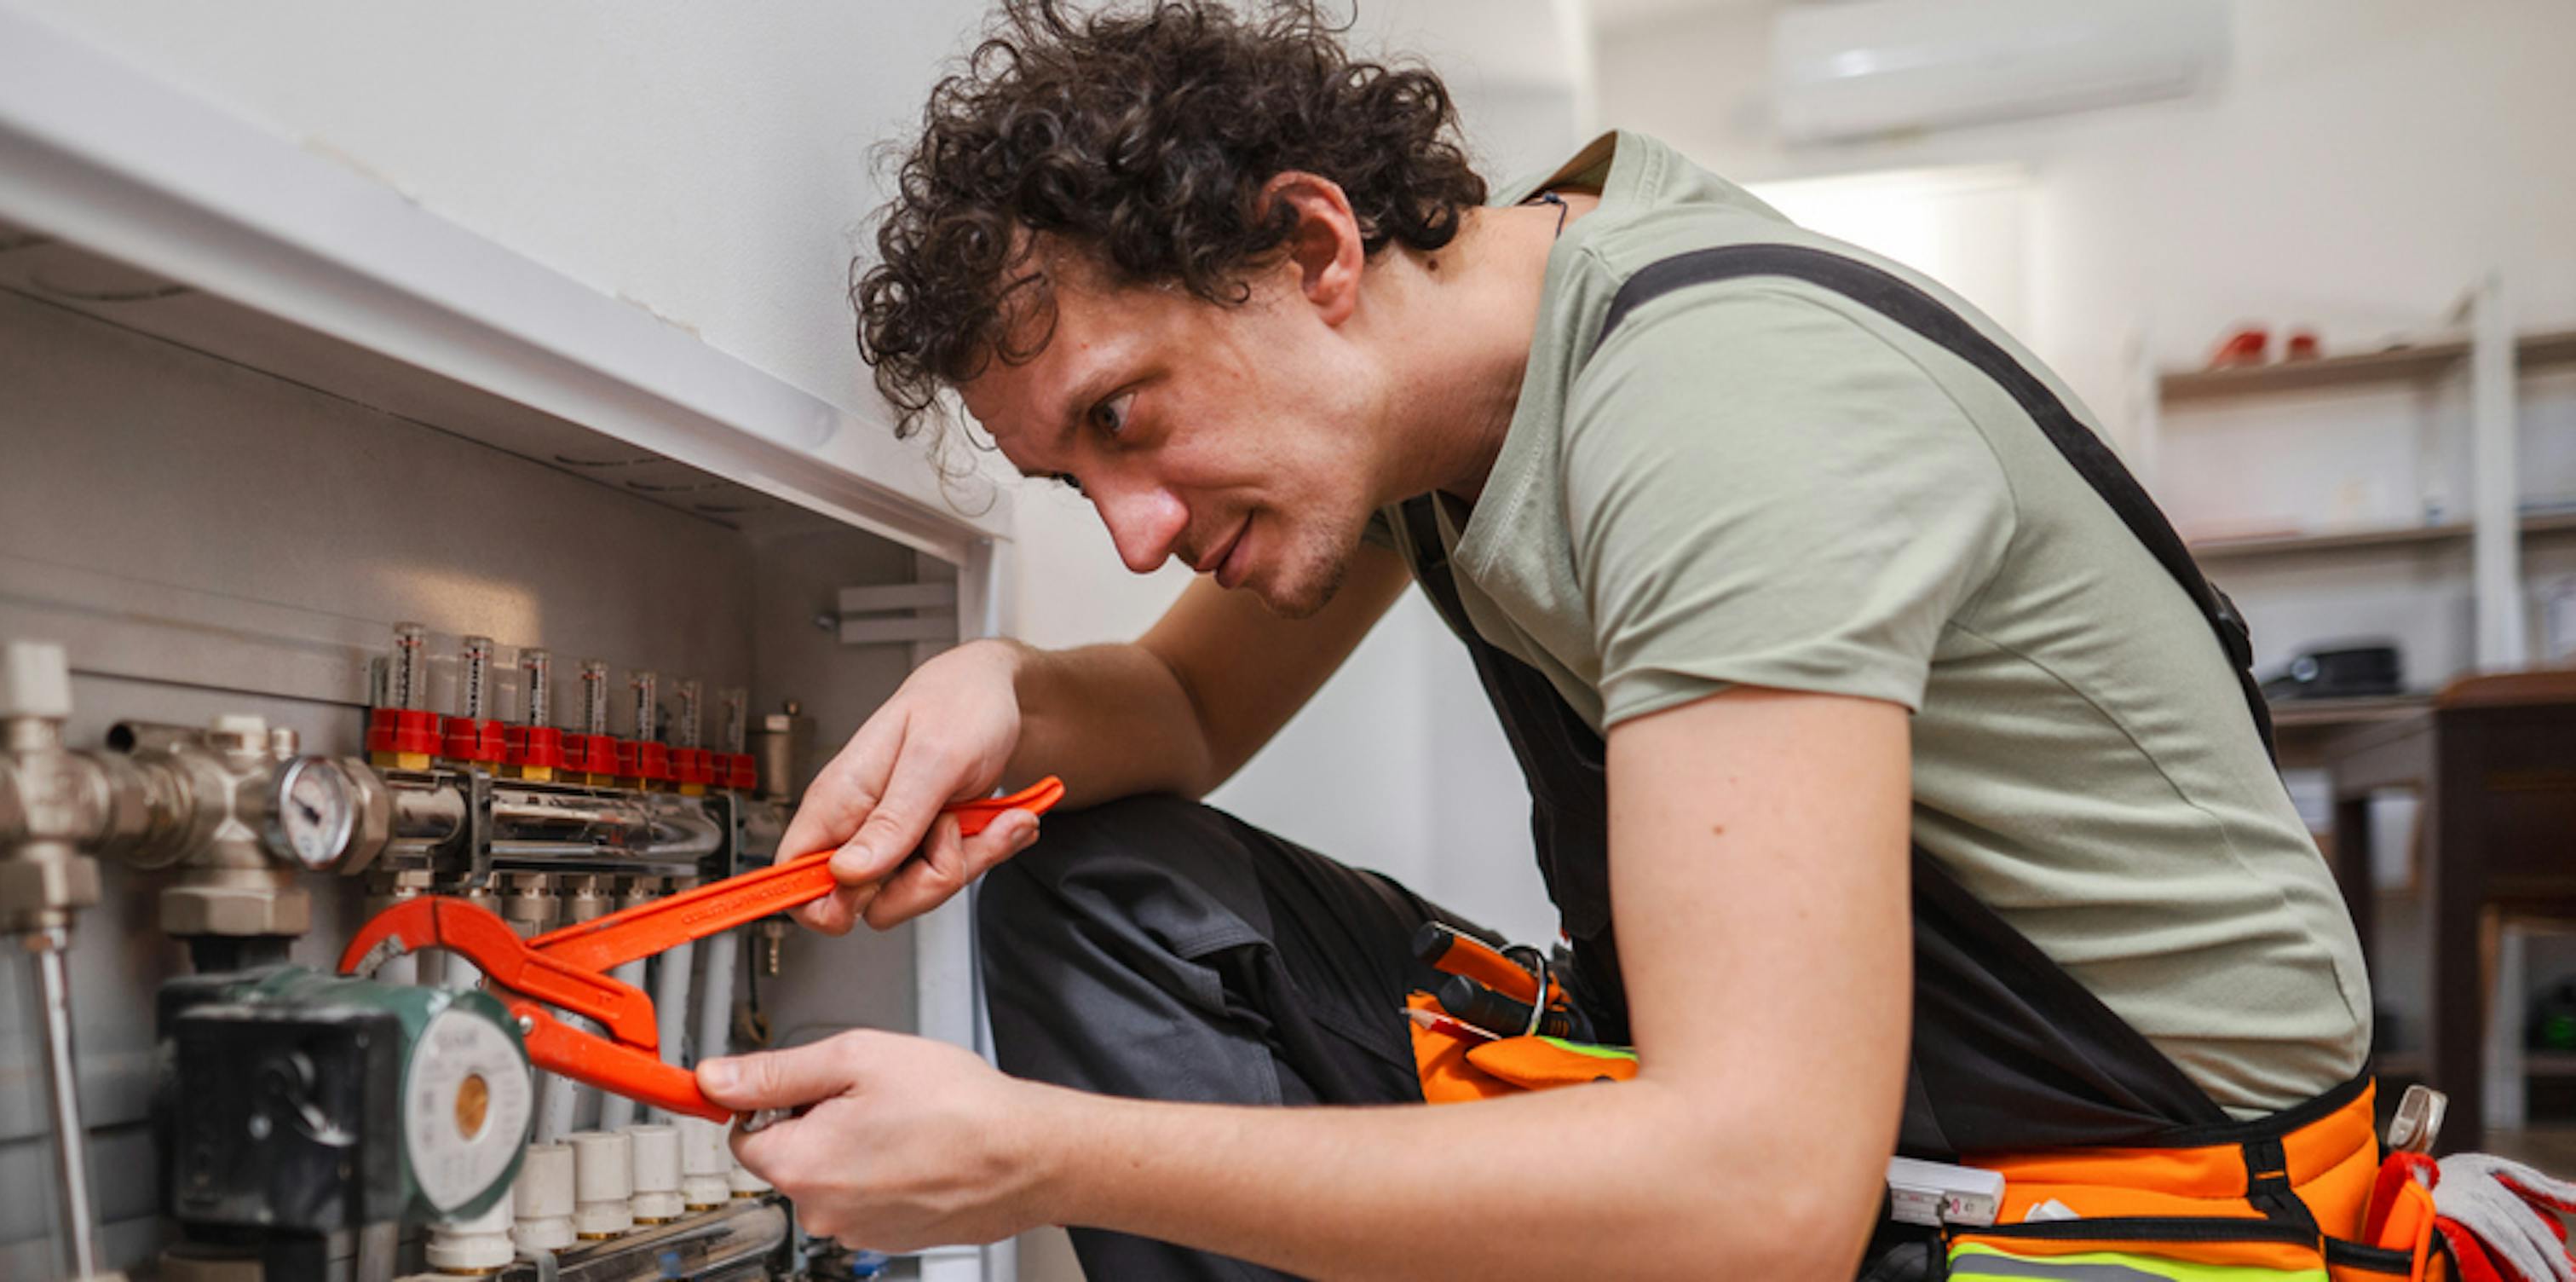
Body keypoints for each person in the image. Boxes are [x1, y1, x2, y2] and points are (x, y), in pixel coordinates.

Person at [690, 3, 2374, 1279]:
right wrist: (998, 688)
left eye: (1126, 415)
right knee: (1110, 890)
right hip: (1874, 1134)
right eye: (1077, 479)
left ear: (1315, 251)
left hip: (2125, 1189)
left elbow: (1765, 1189)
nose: (1131, 528)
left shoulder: (1715, 408)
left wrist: (1041, 1154)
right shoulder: (1469, 369)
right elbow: (1182, 709)